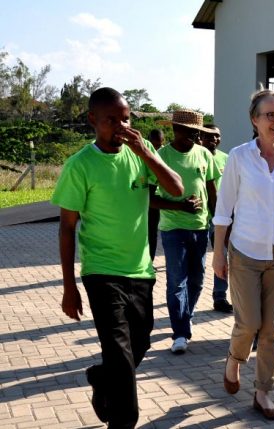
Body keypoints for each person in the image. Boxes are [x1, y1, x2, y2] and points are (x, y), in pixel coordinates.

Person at [52, 87, 183, 428]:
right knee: (122, 359)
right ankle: (124, 420)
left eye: (125, 119)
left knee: (138, 343)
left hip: (141, 271)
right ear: (92, 120)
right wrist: (69, 286)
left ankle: (100, 377)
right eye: (112, 120)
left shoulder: (141, 153)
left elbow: (177, 189)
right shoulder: (80, 165)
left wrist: (147, 154)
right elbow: (67, 228)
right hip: (101, 272)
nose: (121, 127)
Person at [212, 88, 274, 420]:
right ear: (254, 120)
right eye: (270, 115)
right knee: (250, 323)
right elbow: (224, 209)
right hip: (245, 252)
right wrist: (218, 254)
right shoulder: (239, 157)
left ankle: (263, 392)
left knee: (273, 329)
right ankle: (234, 360)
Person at [151, 110, 219, 354]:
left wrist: (219, 223)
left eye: (198, 132)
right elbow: (150, 198)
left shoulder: (204, 154)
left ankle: (185, 316)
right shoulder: (161, 156)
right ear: (175, 130)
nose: (195, 136)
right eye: (191, 132)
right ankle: (180, 332)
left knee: (198, 279)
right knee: (176, 282)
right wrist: (180, 205)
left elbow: (211, 190)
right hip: (173, 229)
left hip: (200, 228)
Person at [201, 124, 233, 313]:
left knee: (222, 255)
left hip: (221, 218)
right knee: (197, 261)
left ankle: (219, 296)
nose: (213, 140)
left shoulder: (227, 159)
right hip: (197, 217)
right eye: (208, 136)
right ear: (200, 137)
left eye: (216, 136)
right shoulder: (195, 155)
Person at [147, 129, 165, 262]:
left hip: (163, 197)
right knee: (150, 231)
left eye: (159, 145)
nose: (156, 148)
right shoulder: (144, 152)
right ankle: (149, 260)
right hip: (149, 197)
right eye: (154, 145)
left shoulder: (165, 154)